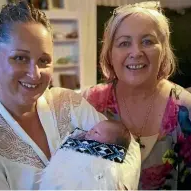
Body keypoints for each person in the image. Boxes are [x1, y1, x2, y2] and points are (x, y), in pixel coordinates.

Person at [0, 1, 111, 190]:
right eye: (20, 58)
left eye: (43, 60)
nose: (35, 73)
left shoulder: (68, 102)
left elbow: (124, 150)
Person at [82, 1, 191, 190]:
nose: (136, 52)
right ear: (109, 54)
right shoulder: (88, 103)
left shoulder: (186, 109)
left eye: (147, 41)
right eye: (124, 43)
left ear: (163, 50)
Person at [39, 120, 141, 190]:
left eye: (96, 132)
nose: (90, 131)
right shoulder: (77, 139)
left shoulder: (109, 163)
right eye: (92, 128)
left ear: (109, 146)